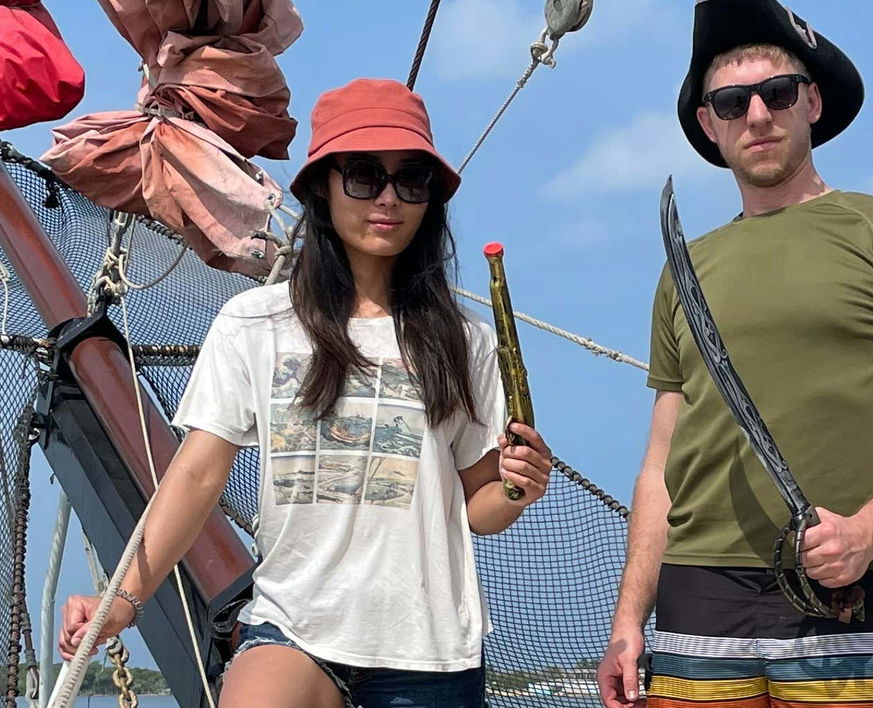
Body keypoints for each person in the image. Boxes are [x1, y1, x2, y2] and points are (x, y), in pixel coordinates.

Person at [58, 78, 553, 708]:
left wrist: (518, 488)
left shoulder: (466, 341)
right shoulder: (256, 324)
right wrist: (122, 598)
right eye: (365, 175)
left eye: (413, 179)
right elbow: (198, 476)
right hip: (294, 629)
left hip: (425, 647)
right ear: (322, 185)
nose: (390, 198)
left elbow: (478, 506)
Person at [597, 2, 873, 706]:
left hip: (845, 585)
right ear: (708, 125)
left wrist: (868, 532)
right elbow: (660, 466)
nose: (757, 114)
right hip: (695, 601)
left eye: (777, 92)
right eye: (731, 101)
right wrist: (630, 619)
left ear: (811, 101)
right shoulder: (684, 267)